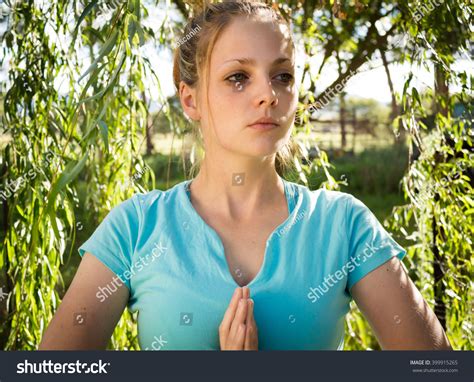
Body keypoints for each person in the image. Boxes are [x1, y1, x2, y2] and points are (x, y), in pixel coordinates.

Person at [39, 1, 452, 351]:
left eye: (282, 76)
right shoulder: (135, 229)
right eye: (238, 77)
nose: (268, 94)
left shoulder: (344, 224)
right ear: (191, 99)